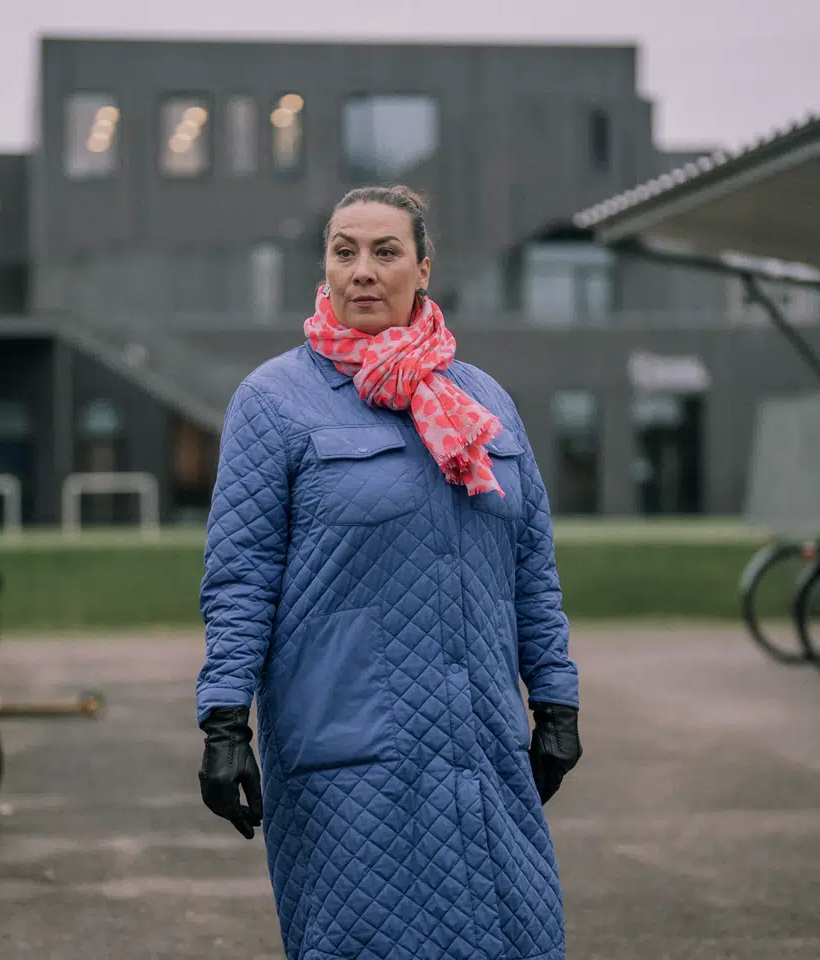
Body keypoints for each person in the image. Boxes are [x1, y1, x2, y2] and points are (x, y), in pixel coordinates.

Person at [195, 185, 582, 960]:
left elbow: (530, 567)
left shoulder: (482, 402)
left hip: (481, 745)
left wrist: (558, 702)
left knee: (517, 938)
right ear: (325, 269)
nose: (363, 271)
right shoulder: (275, 402)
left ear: (423, 268)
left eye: (385, 252)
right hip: (351, 762)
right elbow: (241, 575)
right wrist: (224, 722)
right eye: (345, 252)